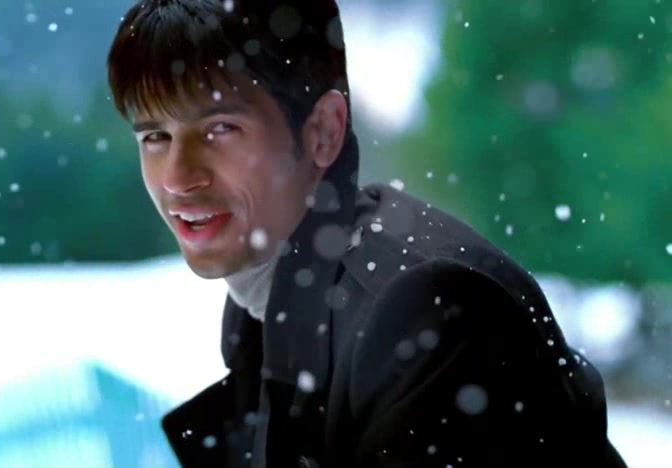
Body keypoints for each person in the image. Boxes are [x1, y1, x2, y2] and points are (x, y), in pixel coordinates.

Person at [105, 1, 627, 466]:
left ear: (324, 131)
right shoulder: (264, 300)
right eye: (155, 137)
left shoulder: (424, 314)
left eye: (220, 129)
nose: (177, 177)